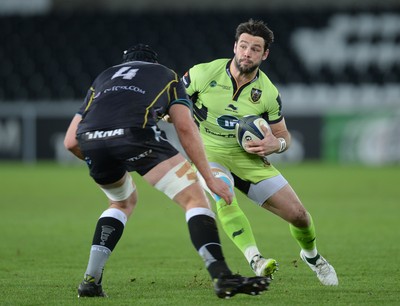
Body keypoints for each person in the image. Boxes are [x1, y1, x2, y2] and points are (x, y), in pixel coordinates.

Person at [63, 43, 271, 299]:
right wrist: (209, 178)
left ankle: (90, 281)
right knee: (195, 199)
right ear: (153, 62)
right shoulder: (167, 76)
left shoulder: (104, 77)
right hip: (136, 135)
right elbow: (185, 128)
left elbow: (70, 141)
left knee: (120, 203)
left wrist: (104, 156)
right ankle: (222, 275)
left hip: (91, 142)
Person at [179, 19, 338, 286]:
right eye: (243, 46)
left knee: (300, 216)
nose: (247, 53)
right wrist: (174, 115)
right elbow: (172, 102)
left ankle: (312, 257)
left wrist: (277, 146)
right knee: (225, 196)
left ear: (264, 54)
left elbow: (283, 136)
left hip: (249, 159)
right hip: (209, 153)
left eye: (255, 49)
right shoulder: (203, 74)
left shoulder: (267, 93)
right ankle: (256, 259)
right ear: (234, 46)